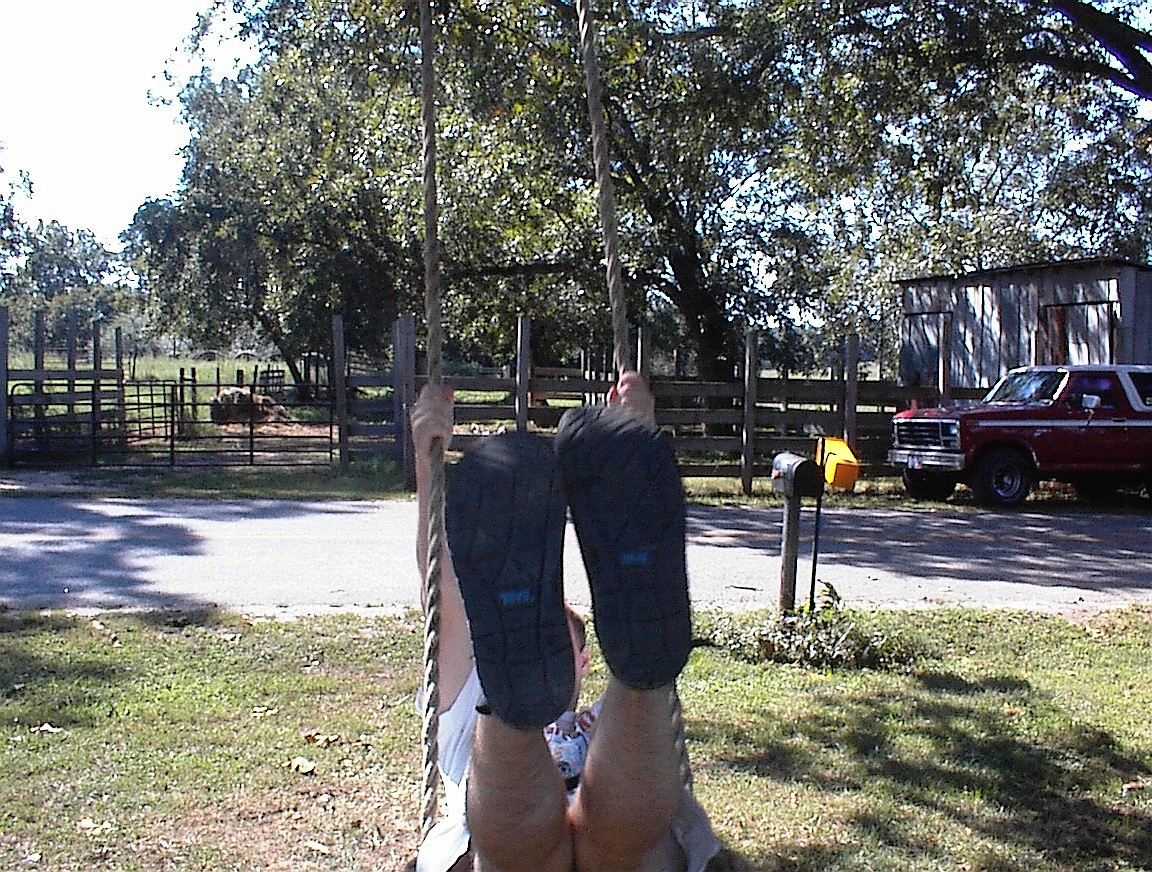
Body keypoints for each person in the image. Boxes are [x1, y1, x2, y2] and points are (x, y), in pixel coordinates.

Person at [411, 372, 721, 872]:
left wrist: (633, 440)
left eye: (557, 641)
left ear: (582, 660)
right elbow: (444, 595)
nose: (554, 642)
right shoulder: (467, 699)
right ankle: (632, 679)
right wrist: (428, 464)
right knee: (631, 842)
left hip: (517, 836)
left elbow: (445, 593)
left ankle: (528, 702)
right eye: (545, 633)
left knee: (526, 850)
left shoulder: (601, 724)